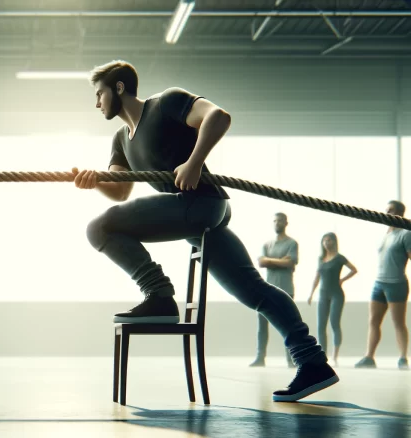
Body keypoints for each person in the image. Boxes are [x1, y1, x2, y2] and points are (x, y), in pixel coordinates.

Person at [75, 60, 337, 402]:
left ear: (119, 88)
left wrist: (194, 162)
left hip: (201, 204)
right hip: (194, 220)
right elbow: (120, 189)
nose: (97, 103)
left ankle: (158, 295)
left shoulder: (165, 103)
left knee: (98, 227)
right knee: (253, 291)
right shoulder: (121, 140)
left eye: (99, 94)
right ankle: (313, 361)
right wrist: (94, 181)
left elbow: (218, 117)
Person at [355, 200, 410, 370]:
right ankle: (369, 357)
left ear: (400, 213)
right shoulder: (385, 234)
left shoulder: (406, 233)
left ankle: (402, 358)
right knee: (373, 320)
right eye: (386, 210)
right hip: (379, 283)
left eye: (391, 211)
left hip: (396, 284)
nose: (387, 213)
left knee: (398, 322)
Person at [250, 213, 298, 368]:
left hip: (286, 289)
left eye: (280, 221)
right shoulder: (266, 244)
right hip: (266, 289)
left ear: (286, 223)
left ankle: (291, 359)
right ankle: (260, 358)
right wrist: (280, 261)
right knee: (262, 326)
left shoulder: (292, 243)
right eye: (275, 221)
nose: (277, 223)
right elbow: (261, 263)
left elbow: (290, 263)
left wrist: (270, 261)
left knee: (288, 325)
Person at [307, 233, 357, 366]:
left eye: (328, 240)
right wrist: (311, 293)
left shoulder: (340, 258)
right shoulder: (321, 258)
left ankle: (335, 356)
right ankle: (323, 355)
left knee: (334, 323)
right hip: (323, 294)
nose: (326, 243)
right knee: (321, 325)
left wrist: (342, 280)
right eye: (324, 241)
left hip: (337, 294)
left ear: (334, 242)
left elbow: (354, 269)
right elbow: (317, 277)